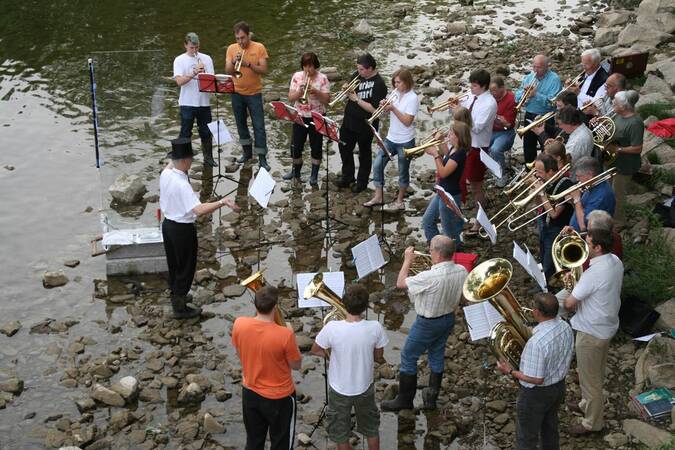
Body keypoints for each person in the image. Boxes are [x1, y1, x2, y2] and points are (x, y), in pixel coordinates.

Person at [382, 236, 468, 412]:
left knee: (408, 356)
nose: (429, 252)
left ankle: (405, 400)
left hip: (427, 323)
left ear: (437, 253)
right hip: (448, 319)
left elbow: (400, 283)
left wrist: (407, 260)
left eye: (430, 249)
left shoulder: (429, 276)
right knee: (436, 354)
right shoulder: (461, 270)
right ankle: (431, 398)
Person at [160, 138, 237, 319]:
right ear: (185, 161)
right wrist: (222, 202)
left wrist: (176, 155)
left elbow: (170, 164)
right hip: (182, 230)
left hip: (168, 225)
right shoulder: (181, 184)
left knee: (174, 265)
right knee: (186, 268)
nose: (192, 161)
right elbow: (199, 210)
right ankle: (179, 308)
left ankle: (176, 294)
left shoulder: (166, 173)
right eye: (191, 158)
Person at [311, 284, 389, 450]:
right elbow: (379, 356)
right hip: (365, 387)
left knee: (341, 432)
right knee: (371, 429)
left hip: (339, 389)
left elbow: (315, 350)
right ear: (366, 306)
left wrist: (332, 355)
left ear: (344, 303)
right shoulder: (375, 327)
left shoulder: (332, 327)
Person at [564, 228, 623, 436]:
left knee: (591, 381)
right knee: (594, 373)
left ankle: (592, 423)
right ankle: (585, 403)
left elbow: (570, 304)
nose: (585, 247)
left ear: (597, 247)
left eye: (588, 244)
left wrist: (570, 286)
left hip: (591, 332)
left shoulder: (593, 273)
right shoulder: (615, 260)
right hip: (606, 326)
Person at [496, 293, 574, 450]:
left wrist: (510, 370)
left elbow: (536, 379)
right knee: (550, 427)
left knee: (526, 437)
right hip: (558, 387)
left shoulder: (536, 343)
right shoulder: (566, 326)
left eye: (533, 308)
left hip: (536, 394)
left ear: (537, 312)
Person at [232, 286, 302, 449]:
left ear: (255, 305)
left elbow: (238, 353)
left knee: (254, 441)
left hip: (250, 393)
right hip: (280, 398)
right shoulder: (285, 334)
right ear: (275, 306)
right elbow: (296, 365)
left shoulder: (239, 323)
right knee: (281, 443)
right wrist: (292, 339)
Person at [365, 69, 419, 209]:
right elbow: (383, 116)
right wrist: (383, 107)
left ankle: (400, 201)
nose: (396, 85)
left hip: (406, 140)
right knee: (377, 164)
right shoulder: (394, 93)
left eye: (399, 82)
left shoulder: (413, 98)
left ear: (407, 82)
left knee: (403, 170)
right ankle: (379, 196)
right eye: (394, 82)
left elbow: (407, 121)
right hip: (391, 138)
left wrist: (393, 109)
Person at [336, 53, 388, 193]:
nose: (358, 72)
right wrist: (346, 89)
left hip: (365, 124)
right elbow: (350, 91)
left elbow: (374, 110)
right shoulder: (358, 75)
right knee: (344, 148)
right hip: (349, 121)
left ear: (370, 68)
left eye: (361, 70)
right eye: (358, 69)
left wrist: (356, 99)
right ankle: (348, 177)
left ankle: (362, 182)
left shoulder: (379, 84)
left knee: (364, 153)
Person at [225, 22, 271, 171]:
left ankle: (262, 158)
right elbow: (228, 71)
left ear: (248, 35)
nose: (240, 41)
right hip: (236, 93)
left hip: (254, 94)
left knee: (259, 126)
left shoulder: (259, 47)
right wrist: (233, 61)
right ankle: (247, 153)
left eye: (243, 38)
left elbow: (264, 70)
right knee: (240, 124)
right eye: (237, 38)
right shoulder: (232, 49)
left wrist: (248, 64)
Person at [459, 69, 497, 236]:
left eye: (474, 86)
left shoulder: (489, 103)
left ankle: (480, 221)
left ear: (483, 86)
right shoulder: (471, 95)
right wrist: (455, 107)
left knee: (476, 185)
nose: (471, 88)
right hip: (465, 143)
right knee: (466, 180)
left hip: (477, 147)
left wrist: (461, 115)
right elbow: (460, 114)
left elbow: (477, 127)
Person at [421, 121, 470, 248]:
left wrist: (435, 154)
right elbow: (446, 154)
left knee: (449, 231)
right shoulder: (454, 148)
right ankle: (437, 249)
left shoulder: (460, 154)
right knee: (427, 221)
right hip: (442, 192)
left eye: (451, 133)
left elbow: (443, 173)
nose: (449, 134)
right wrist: (441, 139)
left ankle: (454, 252)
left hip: (449, 195)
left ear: (458, 136)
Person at [284, 52, 331, 186]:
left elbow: (327, 100)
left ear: (315, 66)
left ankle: (314, 174)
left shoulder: (323, 78)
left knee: (316, 147)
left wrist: (316, 92)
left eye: (310, 66)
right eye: (305, 66)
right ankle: (295, 171)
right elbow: (290, 98)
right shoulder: (297, 76)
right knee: (295, 146)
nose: (307, 70)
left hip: (317, 116)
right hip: (299, 116)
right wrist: (300, 92)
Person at [173, 32, 216, 167]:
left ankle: (208, 159)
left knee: (206, 131)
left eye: (196, 47)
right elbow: (179, 81)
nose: (195, 50)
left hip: (203, 102)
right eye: (192, 47)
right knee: (185, 132)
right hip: (187, 102)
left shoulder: (207, 59)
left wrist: (205, 76)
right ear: (185, 45)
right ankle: (182, 161)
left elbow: (213, 81)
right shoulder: (179, 60)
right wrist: (194, 72)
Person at [532, 153, 574, 283]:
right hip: (545, 225)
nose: (536, 175)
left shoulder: (565, 185)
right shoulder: (545, 181)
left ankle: (546, 290)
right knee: (543, 255)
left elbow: (554, 214)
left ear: (550, 171)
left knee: (548, 263)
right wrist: (535, 192)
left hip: (557, 230)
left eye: (539, 171)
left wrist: (542, 193)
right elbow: (539, 205)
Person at [515, 55, 563, 164]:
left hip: (546, 117)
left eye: (539, 67)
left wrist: (536, 95)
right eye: (534, 67)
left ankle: (546, 170)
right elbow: (517, 96)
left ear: (547, 66)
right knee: (528, 146)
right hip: (530, 114)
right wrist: (524, 94)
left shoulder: (554, 79)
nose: (536, 70)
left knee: (546, 146)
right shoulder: (529, 77)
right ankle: (529, 170)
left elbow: (553, 103)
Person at [608, 90, 644, 230]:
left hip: (625, 165)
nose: (612, 104)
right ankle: (610, 216)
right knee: (610, 192)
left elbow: (637, 148)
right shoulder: (618, 115)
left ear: (623, 106)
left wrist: (618, 150)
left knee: (618, 195)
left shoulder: (635, 123)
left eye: (615, 103)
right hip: (613, 161)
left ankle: (618, 223)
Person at [568, 156, 615, 232]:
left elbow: (583, 226)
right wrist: (573, 202)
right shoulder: (591, 185)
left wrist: (577, 200)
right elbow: (581, 210)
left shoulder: (602, 195)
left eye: (579, 176)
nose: (577, 180)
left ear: (590, 175)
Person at [489, 75, 517, 188]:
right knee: (474, 143)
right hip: (490, 131)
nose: (492, 93)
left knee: (495, 149)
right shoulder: (490, 97)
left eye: (494, 90)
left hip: (506, 132)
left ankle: (502, 175)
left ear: (502, 88)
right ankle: (481, 169)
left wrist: (498, 119)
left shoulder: (511, 99)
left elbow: (508, 124)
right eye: (490, 90)